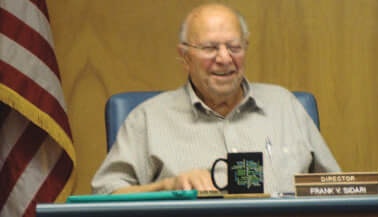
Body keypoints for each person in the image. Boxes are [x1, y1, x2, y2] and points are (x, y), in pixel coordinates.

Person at [91, 3, 340, 195]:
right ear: (185, 56)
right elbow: (105, 192)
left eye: (234, 47)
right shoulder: (147, 118)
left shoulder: (285, 105)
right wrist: (167, 186)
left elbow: (337, 190)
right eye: (210, 48)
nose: (224, 58)